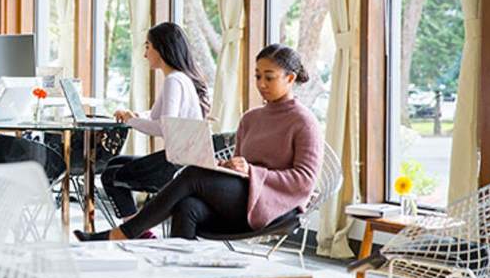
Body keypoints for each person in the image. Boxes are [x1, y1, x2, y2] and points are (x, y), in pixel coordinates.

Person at [76, 43, 322, 242]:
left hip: (274, 205)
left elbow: (304, 180)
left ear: (290, 78)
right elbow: (239, 165)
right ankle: (179, 276)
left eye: (269, 77)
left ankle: (125, 233)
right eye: (257, 76)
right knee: (187, 206)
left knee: (193, 175)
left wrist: (252, 172)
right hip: (241, 197)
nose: (261, 84)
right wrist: (225, 165)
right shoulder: (251, 118)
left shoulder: (304, 122)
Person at [100, 22, 209, 219]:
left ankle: (134, 229)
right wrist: (133, 115)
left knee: (110, 175)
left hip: (176, 165)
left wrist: (130, 121)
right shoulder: (179, 78)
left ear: (161, 49)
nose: (145, 54)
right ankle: (135, 227)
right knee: (115, 162)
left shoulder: (173, 81)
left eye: (147, 47)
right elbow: (155, 115)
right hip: (182, 162)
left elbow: (164, 128)